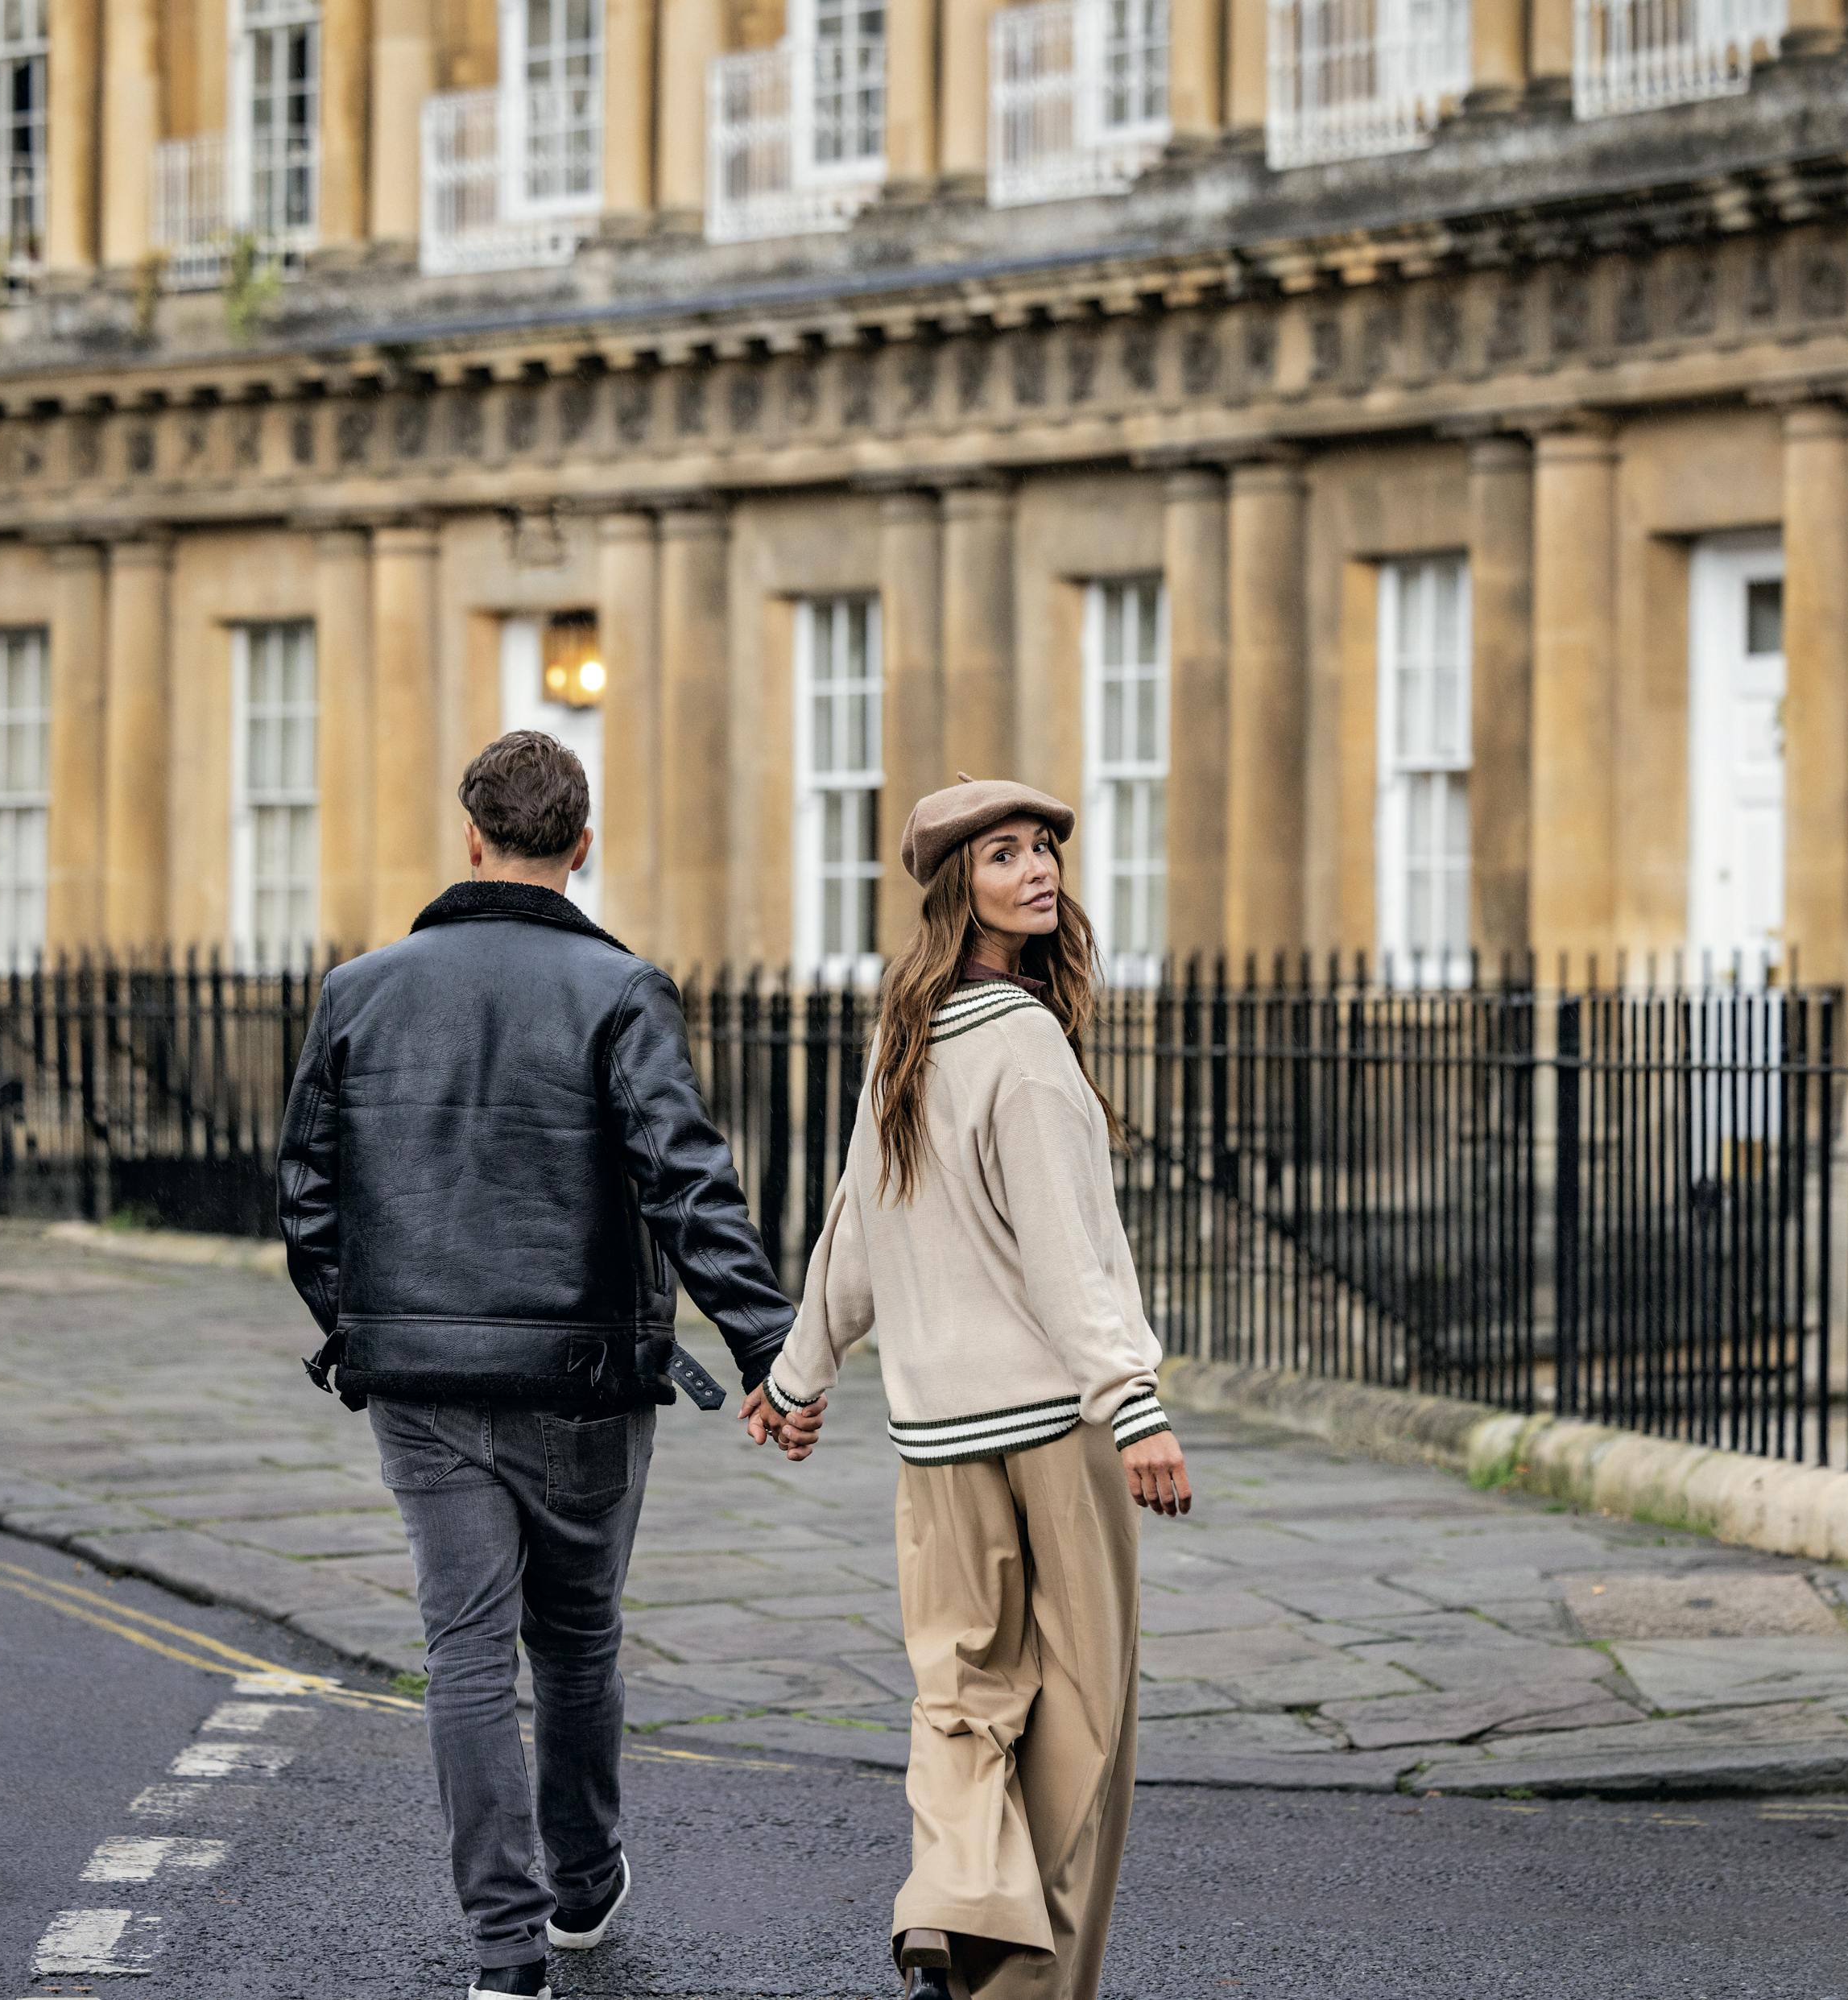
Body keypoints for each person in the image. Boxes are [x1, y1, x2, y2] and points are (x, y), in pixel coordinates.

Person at [277, 729, 802, 2000]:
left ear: (470, 838)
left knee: (463, 1652)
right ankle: (582, 1889)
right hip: (582, 1385)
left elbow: (306, 1193)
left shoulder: (359, 990)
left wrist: (363, 1327)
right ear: (583, 844)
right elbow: (689, 1186)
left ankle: (504, 1959)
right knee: (575, 1645)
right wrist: (773, 1351)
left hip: (423, 1383)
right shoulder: (623, 991)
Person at [738, 779, 1192, 2000]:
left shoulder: (903, 1032)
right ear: (960, 887)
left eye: (1044, 848)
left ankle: (946, 1912)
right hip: (1053, 1433)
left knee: (961, 1700)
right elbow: (1069, 1249)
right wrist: (1135, 1405)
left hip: (932, 1438)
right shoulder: (1027, 1044)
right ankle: (1017, 1981)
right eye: (1005, 854)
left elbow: (849, 1228)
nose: (1039, 869)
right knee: (1083, 1720)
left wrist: (797, 1377)